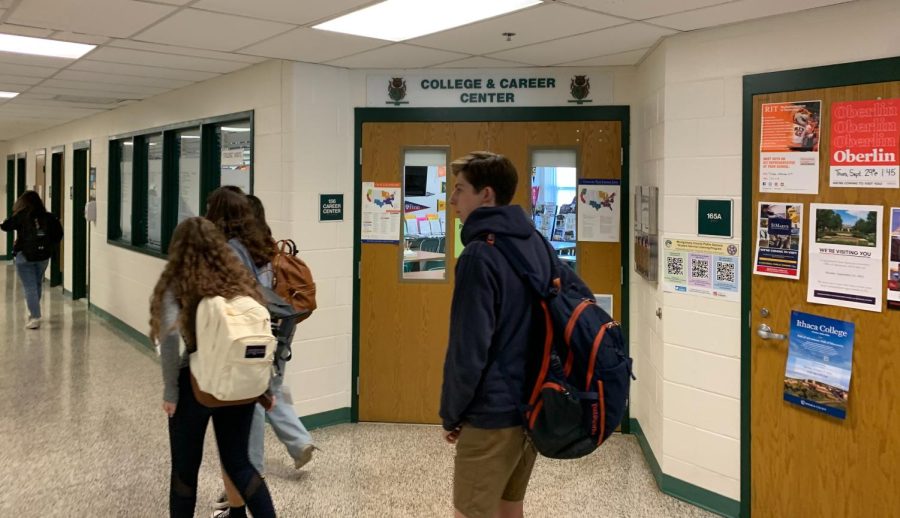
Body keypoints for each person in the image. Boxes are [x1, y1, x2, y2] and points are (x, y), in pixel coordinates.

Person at [440, 151, 546, 518]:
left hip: (492, 415)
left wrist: (451, 412)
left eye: (459, 190)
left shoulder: (478, 256)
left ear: (486, 195)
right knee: (509, 509)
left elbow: (468, 350)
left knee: (470, 512)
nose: (452, 200)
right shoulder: (534, 242)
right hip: (531, 409)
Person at [149, 217, 276, 518]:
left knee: (185, 469)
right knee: (239, 462)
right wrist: (265, 388)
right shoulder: (237, 280)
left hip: (195, 384)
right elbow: (256, 336)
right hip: (238, 386)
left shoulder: (177, 282)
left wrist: (171, 392)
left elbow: (168, 340)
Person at [205, 188, 315, 518]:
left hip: (252, 347)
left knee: (249, 417)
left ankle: (244, 485)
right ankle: (296, 444)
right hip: (276, 342)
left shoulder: (235, 253)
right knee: (272, 393)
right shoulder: (264, 247)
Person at [1, 190, 61, 329]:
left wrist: (5, 222)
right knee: (36, 284)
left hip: (24, 256)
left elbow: (6, 226)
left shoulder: (21, 216)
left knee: (29, 286)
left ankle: (35, 316)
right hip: (43, 256)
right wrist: (49, 245)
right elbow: (59, 234)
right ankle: (34, 311)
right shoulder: (49, 217)